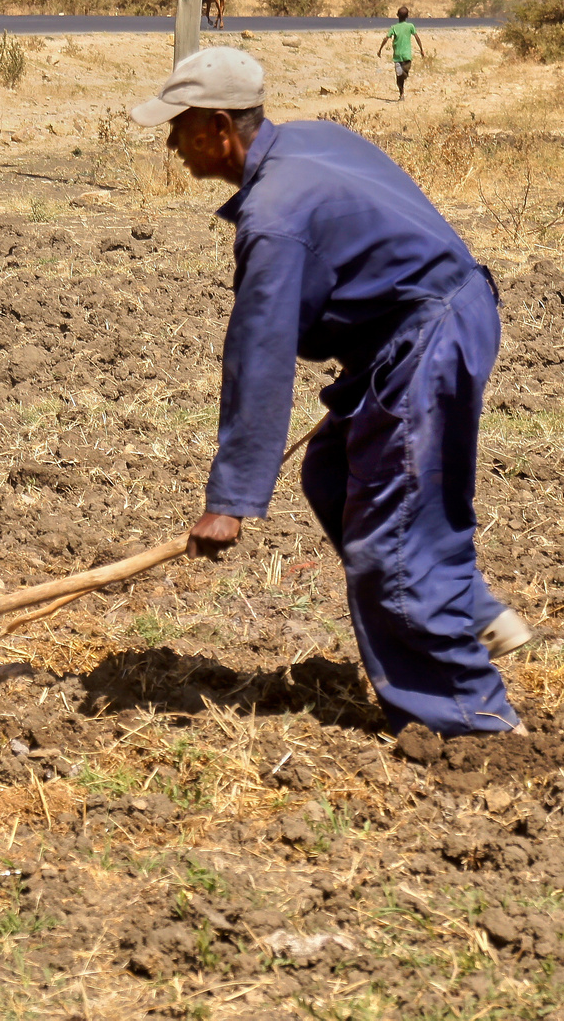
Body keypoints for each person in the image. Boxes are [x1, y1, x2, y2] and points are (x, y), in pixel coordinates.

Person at [129, 46, 533, 737]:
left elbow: (257, 358)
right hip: (416, 327)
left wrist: (229, 502)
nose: (172, 144)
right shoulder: (313, 140)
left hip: (423, 338)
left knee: (390, 533)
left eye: (180, 127)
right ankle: (464, 607)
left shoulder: (274, 217)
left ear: (220, 128)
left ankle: (470, 724)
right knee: (334, 474)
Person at [378, 6, 425, 100]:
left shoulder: (394, 27)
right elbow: (417, 37)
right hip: (407, 54)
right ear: (407, 16)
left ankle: (401, 93)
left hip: (397, 55)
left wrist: (380, 49)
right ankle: (403, 84)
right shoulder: (410, 26)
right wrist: (421, 49)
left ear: (397, 15)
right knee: (405, 72)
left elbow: (386, 38)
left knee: (399, 78)